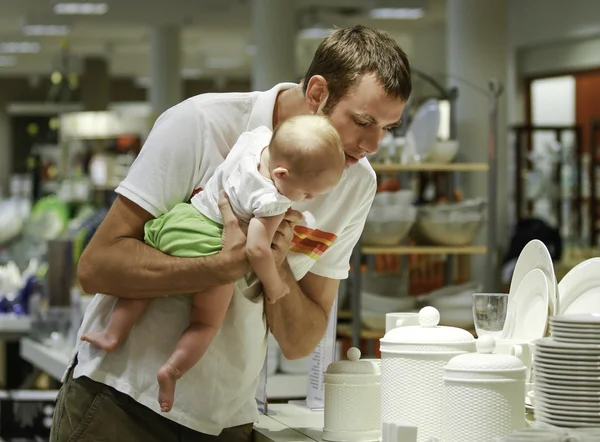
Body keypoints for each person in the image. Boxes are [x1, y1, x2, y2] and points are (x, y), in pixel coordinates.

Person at [50, 25, 411, 442]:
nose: (373, 144)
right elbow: (97, 267)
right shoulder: (202, 123)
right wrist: (221, 267)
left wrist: (276, 265)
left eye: (388, 128)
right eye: (363, 121)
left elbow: (300, 342)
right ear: (317, 93)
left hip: (228, 422)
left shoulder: (356, 182)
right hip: (122, 405)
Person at [79, 115, 346, 413]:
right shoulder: (272, 201)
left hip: (181, 221)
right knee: (205, 322)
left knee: (145, 286)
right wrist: (275, 286)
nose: (306, 199)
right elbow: (257, 250)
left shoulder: (254, 141)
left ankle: (113, 332)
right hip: (209, 243)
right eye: (307, 193)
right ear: (281, 174)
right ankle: (172, 370)